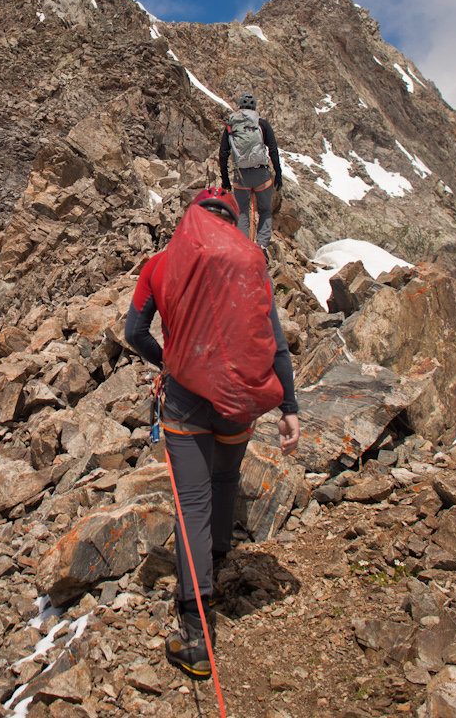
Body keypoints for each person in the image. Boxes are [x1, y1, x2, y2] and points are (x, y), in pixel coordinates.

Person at [123, 188, 301, 681]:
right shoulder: (249, 262)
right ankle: (218, 561)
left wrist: (170, 361)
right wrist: (289, 407)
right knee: (225, 481)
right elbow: (276, 344)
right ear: (232, 220)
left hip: (185, 399)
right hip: (239, 401)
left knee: (192, 504)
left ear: (192, 218)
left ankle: (196, 634)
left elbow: (134, 332)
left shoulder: (160, 263)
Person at [219, 92, 282, 252]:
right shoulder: (262, 124)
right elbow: (273, 150)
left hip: (240, 176)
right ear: (254, 108)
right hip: (261, 175)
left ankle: (242, 247)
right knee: (265, 210)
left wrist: (225, 181)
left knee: (242, 211)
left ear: (239, 107)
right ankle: (261, 246)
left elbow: (223, 154)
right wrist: (278, 175)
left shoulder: (231, 126)